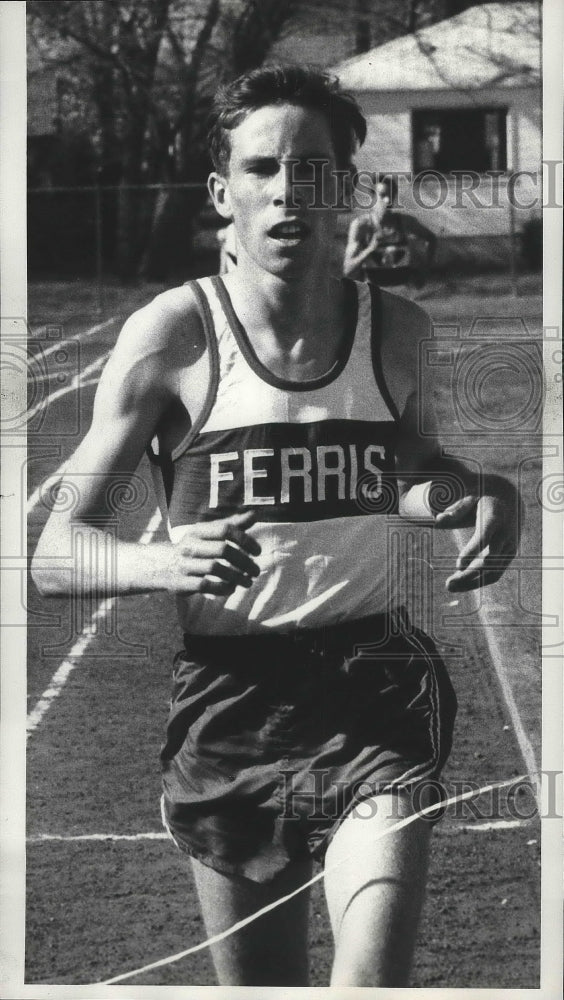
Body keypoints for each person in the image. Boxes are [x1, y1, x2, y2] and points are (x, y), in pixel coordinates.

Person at [33, 66, 520, 988]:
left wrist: (482, 494)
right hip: (231, 704)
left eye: (314, 168)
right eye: (262, 168)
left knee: (370, 979)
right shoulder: (173, 336)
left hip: (375, 690)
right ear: (224, 193)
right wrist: (159, 562)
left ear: (349, 186)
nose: (289, 190)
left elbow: (407, 479)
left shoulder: (401, 333)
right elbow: (51, 551)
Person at [343, 174, 437, 288]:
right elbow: (347, 270)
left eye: (391, 196)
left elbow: (431, 239)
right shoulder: (362, 226)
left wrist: (423, 271)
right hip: (374, 292)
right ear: (372, 198)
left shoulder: (404, 222)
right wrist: (369, 249)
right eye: (383, 195)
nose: (388, 200)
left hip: (402, 294)